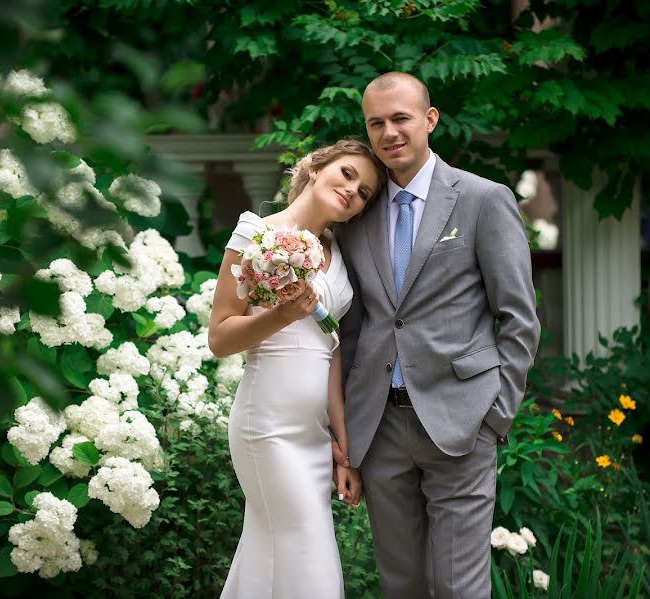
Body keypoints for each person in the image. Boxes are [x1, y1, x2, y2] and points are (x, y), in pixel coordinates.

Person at [335, 72, 541, 598]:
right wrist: (351, 432)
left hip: (460, 422)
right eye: (375, 123)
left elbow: (519, 317)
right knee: (399, 583)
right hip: (380, 426)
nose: (389, 133)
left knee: (458, 587)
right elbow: (354, 329)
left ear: (429, 120)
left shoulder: (482, 199)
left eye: (401, 118)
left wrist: (494, 417)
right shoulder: (356, 210)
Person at [209, 138, 385, 598]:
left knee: (271, 559)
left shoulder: (339, 254)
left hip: (313, 435)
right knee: (312, 559)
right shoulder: (254, 233)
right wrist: (281, 315)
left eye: (364, 192)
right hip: (266, 427)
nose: (352, 191)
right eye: (347, 174)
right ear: (316, 168)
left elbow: (331, 352)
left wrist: (343, 450)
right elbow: (220, 337)